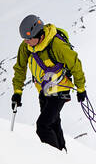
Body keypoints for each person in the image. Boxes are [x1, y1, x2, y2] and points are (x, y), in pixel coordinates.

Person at [11, 14, 87, 151]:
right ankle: (62, 152)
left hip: (60, 89)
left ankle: (54, 158)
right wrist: (17, 92)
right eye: (25, 39)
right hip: (44, 89)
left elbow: (75, 64)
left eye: (29, 39)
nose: (26, 42)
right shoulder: (26, 47)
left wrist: (81, 89)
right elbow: (20, 68)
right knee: (53, 123)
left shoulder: (56, 45)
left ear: (39, 35)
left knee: (43, 126)